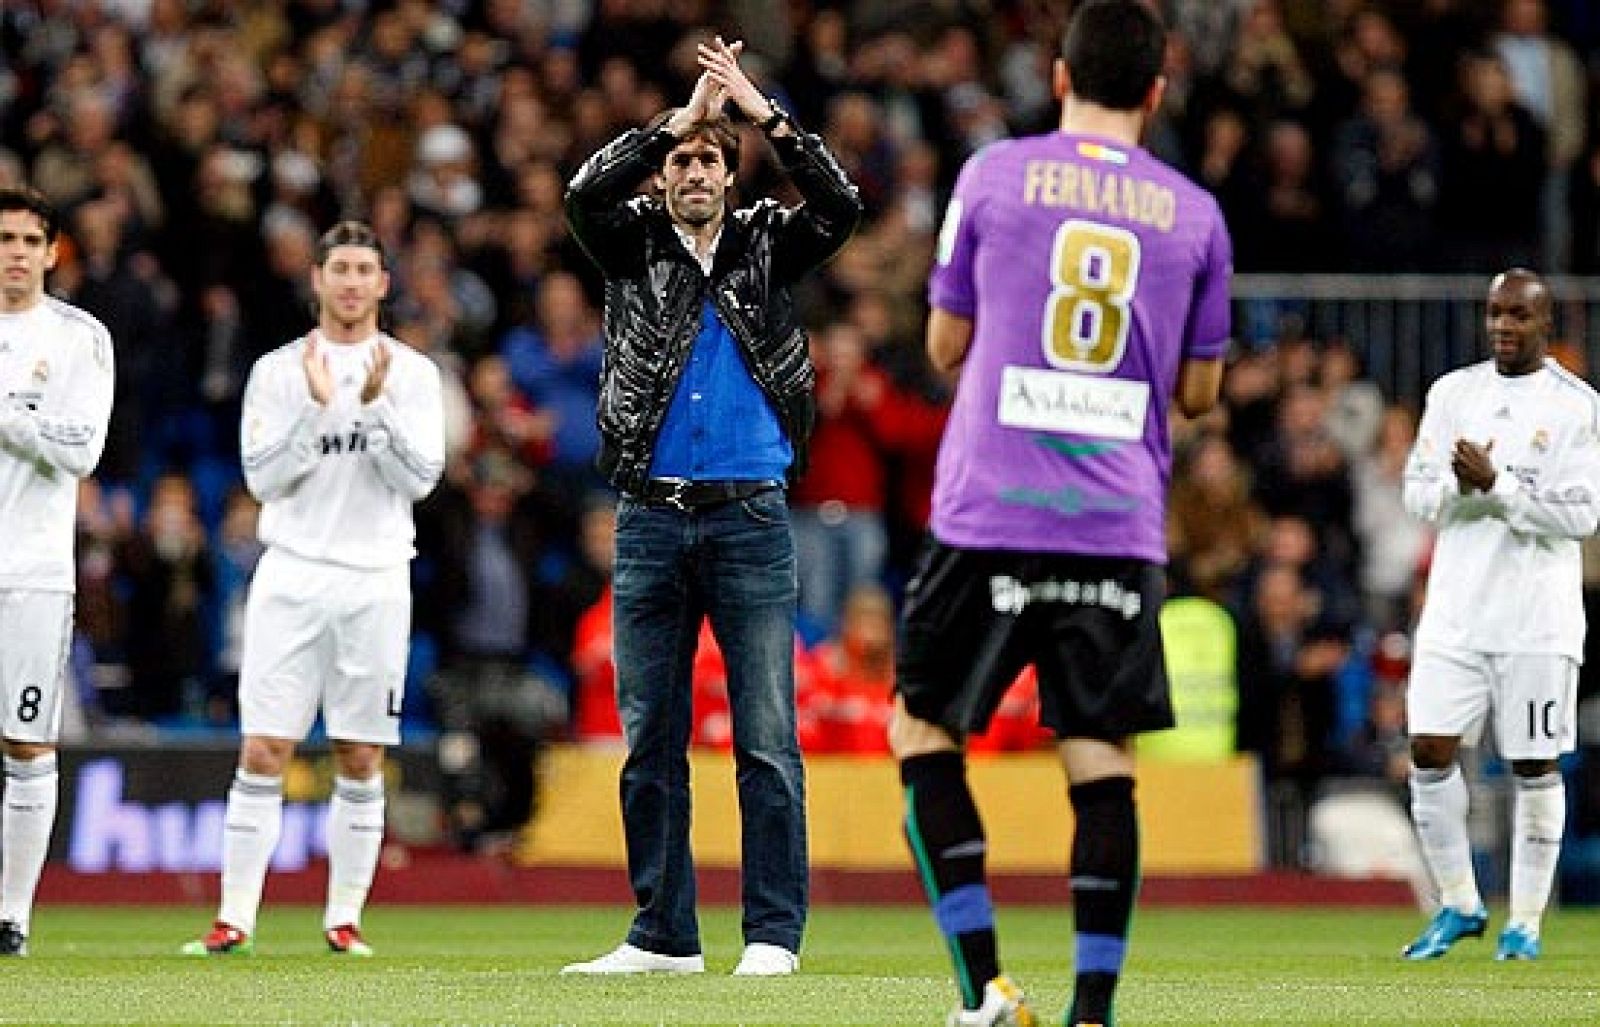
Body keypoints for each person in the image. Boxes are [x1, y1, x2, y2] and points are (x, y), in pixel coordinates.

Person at [887, 2, 1232, 1024]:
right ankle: (1093, 1014)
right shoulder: (1194, 213)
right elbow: (1201, 393)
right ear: (1158, 92)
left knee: (923, 727)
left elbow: (946, 347)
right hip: (1115, 522)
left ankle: (983, 986)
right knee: (1100, 761)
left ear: (1055, 75)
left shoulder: (993, 175)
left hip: (989, 507)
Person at [559, 36, 861, 977]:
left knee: (768, 734)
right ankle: (664, 935)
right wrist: (675, 118)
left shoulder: (770, 239)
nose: (695, 169)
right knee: (649, 736)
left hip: (749, 517)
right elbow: (579, 196)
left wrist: (763, 113)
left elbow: (844, 204)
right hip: (648, 514)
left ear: (733, 177)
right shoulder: (631, 237)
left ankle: (772, 934)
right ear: (666, 174)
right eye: (685, 159)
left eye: (709, 159)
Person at [182, 221, 446, 956]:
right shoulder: (277, 370)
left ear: (384, 283)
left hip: (375, 577)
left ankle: (344, 919)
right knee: (264, 748)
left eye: (365, 268)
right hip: (293, 571)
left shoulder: (413, 374)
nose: (353, 281)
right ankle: (234, 917)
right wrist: (315, 407)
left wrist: (371, 408)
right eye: (341, 268)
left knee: (361, 754)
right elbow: (263, 479)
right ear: (319, 280)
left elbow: (422, 478)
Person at [1398, 268, 1600, 961]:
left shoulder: (1579, 406)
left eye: (1518, 315)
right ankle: (1459, 903)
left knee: (1533, 763)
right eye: (1494, 314)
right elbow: (1417, 494)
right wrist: (1457, 487)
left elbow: (1582, 513)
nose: (1503, 327)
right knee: (1427, 750)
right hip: (1456, 611)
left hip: (1537, 620)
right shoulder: (1453, 394)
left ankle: (1527, 923)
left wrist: (1500, 485)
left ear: (1547, 325)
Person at [0, 186, 115, 956]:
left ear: (51, 251)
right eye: (3, 239)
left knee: (26, 741)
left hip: (32, 569)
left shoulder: (80, 337)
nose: (13, 252)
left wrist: (10, 417)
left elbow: (82, 450)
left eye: (27, 240)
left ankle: (12, 916)